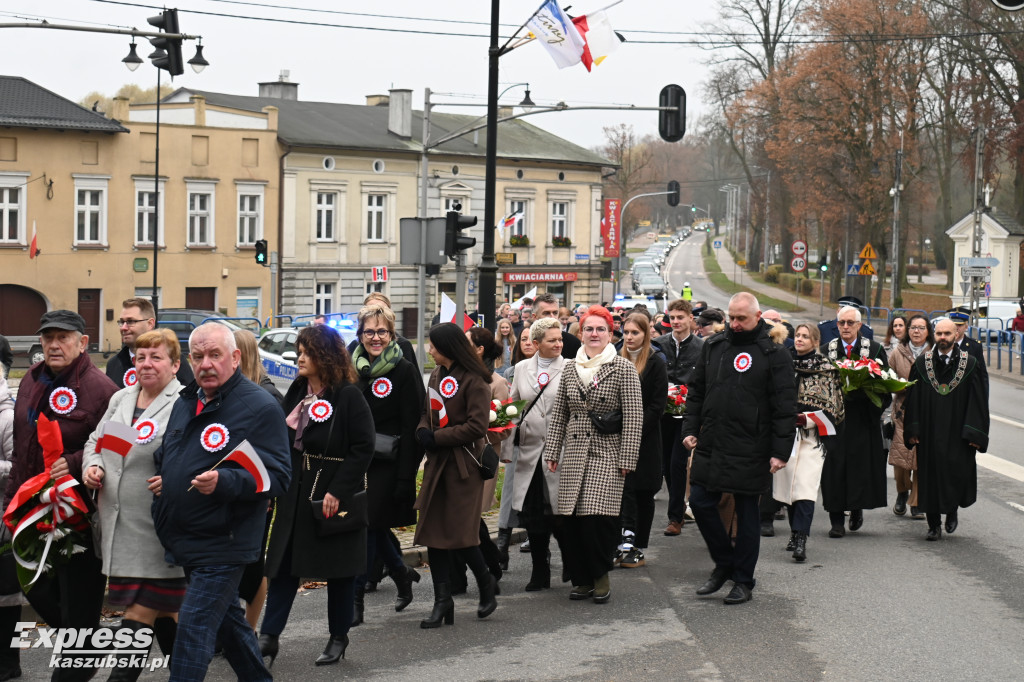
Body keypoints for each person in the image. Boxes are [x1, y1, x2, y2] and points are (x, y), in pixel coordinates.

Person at [152, 322, 290, 681]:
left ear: (235, 358)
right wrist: (165, 477)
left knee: (193, 632)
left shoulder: (259, 406)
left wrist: (225, 481)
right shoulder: (188, 400)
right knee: (230, 627)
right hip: (185, 536)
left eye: (215, 355)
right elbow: (175, 452)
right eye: (198, 357)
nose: (206, 364)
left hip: (225, 542)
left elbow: (279, 476)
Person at [7, 310, 117, 677]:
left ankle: (80, 653)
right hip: (33, 510)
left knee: (79, 602)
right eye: (48, 337)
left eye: (63, 337)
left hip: (79, 516)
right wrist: (12, 503)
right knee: (37, 590)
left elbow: (117, 448)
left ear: (82, 343)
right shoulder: (31, 381)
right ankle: (84, 641)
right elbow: (22, 448)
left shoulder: (102, 389)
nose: (54, 345)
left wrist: (73, 462)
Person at [260, 325, 374, 666]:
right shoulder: (297, 389)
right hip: (294, 493)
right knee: (282, 568)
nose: (300, 357)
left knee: (338, 571)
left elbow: (363, 446)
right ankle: (268, 638)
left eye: (306, 351)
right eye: (299, 350)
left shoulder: (348, 395)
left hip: (330, 494)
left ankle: (339, 636)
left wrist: (338, 490)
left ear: (324, 356)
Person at [82, 329, 186, 680]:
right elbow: (99, 442)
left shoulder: (182, 403)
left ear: (175, 365)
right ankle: (193, 670)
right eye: (141, 357)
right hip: (120, 528)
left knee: (140, 614)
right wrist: (93, 466)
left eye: (156, 357)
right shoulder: (124, 399)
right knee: (165, 614)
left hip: (158, 531)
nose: (146, 364)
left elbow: (192, 459)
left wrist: (172, 481)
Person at [681, 293, 796, 605]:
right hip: (714, 441)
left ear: (757, 317)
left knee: (747, 514)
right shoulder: (715, 346)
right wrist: (690, 429)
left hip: (752, 445)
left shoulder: (774, 351)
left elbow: (784, 405)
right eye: (731, 317)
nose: (734, 323)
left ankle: (743, 580)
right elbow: (697, 391)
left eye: (741, 318)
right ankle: (724, 564)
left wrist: (780, 451)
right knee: (701, 502)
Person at [542, 306, 643, 604]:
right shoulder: (571, 368)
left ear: (610, 335)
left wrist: (627, 459)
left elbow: (635, 416)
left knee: (597, 519)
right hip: (573, 452)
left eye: (600, 329)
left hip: (607, 452)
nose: (594, 334)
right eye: (589, 329)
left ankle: (600, 575)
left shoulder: (622, 368)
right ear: (580, 333)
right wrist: (552, 450)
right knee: (571, 521)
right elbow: (560, 412)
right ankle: (581, 579)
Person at [414, 323, 498, 628]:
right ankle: (442, 601)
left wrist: (437, 438)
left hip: (464, 467)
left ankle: (486, 585)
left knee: (463, 535)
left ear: (447, 347)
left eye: (433, 345)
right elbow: (427, 411)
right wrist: (423, 430)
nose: (430, 350)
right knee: (435, 535)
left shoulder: (475, 380)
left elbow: (477, 427)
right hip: (438, 466)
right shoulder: (436, 375)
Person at [348, 305, 424, 623]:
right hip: (355, 459)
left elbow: (412, 427)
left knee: (366, 524)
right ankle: (400, 572)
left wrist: (406, 477)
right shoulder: (350, 367)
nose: (375, 338)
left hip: (388, 462)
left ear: (391, 335)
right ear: (360, 335)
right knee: (372, 525)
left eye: (382, 332)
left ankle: (354, 602)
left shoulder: (403, 370)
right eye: (369, 332)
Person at [903, 318, 989, 541]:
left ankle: (951, 511)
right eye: (939, 334)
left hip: (958, 432)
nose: (943, 338)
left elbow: (978, 400)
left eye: (947, 334)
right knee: (929, 476)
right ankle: (933, 525)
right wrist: (913, 430)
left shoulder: (969, 364)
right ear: (934, 335)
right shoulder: (922, 365)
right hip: (930, 432)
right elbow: (913, 400)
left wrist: (974, 433)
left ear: (955, 335)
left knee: (954, 473)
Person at [773, 324, 843, 563]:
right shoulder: (783, 365)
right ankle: (795, 531)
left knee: (805, 487)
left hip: (813, 437)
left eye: (805, 336)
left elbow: (834, 407)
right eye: (798, 336)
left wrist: (805, 419)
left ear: (815, 342)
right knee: (789, 487)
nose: (800, 339)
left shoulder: (826, 369)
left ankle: (801, 539)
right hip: (785, 436)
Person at [819, 305, 891, 537]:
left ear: (860, 325)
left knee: (860, 469)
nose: (846, 327)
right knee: (834, 470)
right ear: (836, 325)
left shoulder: (875, 350)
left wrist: (865, 396)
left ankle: (857, 507)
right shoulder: (825, 351)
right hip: (835, 423)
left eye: (851, 323)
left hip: (862, 421)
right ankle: (836, 520)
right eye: (842, 323)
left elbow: (886, 386)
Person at [508, 318, 567, 590]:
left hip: (561, 452)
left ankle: (570, 560)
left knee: (562, 513)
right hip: (530, 452)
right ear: (536, 343)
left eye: (560, 339)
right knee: (534, 514)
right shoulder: (521, 369)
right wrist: (508, 449)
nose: (558, 344)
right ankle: (539, 569)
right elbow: (512, 410)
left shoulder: (570, 367)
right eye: (552, 340)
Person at [232, 328, 282, 637]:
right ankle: (234, 626)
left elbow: (275, 451)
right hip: (230, 490)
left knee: (253, 564)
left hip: (259, 492)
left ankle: (248, 629)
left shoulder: (268, 394)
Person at [462, 327, 512, 591]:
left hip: (481, 459)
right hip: (458, 457)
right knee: (465, 517)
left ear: (480, 350)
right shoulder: (457, 377)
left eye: (467, 342)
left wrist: (483, 428)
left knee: (471, 517)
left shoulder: (497, 383)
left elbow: (503, 426)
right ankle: (485, 566)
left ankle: (490, 566)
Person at [617, 312, 668, 568]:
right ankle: (622, 540)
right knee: (621, 491)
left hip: (645, 439)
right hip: (618, 436)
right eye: (626, 332)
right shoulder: (616, 358)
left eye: (635, 333)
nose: (629, 337)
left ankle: (638, 545)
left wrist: (634, 430)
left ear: (646, 334)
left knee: (642, 493)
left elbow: (658, 405)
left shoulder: (656, 362)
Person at [653, 299, 703, 536]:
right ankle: (680, 506)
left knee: (678, 464)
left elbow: (704, 382)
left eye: (680, 317)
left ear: (690, 319)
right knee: (665, 466)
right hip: (662, 412)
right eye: (672, 318)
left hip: (687, 414)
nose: (675, 322)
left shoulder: (702, 347)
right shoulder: (659, 344)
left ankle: (675, 518)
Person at [887, 314, 933, 520]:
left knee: (922, 459)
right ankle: (901, 491)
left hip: (927, 414)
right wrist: (897, 383)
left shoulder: (934, 353)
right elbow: (886, 377)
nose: (916, 331)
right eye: (913, 327)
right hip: (902, 412)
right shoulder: (898, 352)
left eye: (921, 328)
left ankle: (916, 502)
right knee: (900, 459)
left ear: (928, 331)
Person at [106, 297, 194, 388]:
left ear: (150, 324)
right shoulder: (114, 364)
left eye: (130, 321)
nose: (123, 327)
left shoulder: (172, 359)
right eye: (121, 322)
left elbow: (189, 397)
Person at [0, 371, 23, 681]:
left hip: (2, 519)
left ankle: (9, 663)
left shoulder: (7, 417)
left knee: (6, 595)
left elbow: (18, 466)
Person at [345, 293, 419, 369]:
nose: (376, 314)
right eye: (370, 310)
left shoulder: (403, 345)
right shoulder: (355, 346)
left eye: (381, 310)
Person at [947, 307, 989, 395]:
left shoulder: (974, 346)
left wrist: (983, 404)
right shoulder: (941, 344)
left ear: (966, 327)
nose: (956, 328)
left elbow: (982, 376)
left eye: (960, 325)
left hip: (966, 394)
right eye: (954, 324)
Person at [532, 292, 582, 359]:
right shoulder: (526, 341)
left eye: (555, 313)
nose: (552, 317)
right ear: (535, 317)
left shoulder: (573, 343)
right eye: (546, 313)